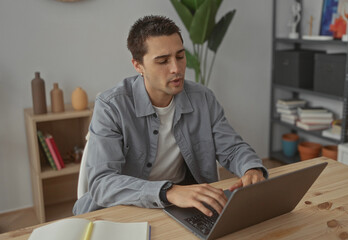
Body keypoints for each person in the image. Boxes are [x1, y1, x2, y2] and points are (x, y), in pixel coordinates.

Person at [73, 15, 267, 217]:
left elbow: (232, 148)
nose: (176, 69)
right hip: (126, 208)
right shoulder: (111, 106)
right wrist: (169, 191)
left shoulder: (203, 98)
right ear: (138, 65)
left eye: (180, 56)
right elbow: (102, 182)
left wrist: (251, 168)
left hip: (182, 205)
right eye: (163, 61)